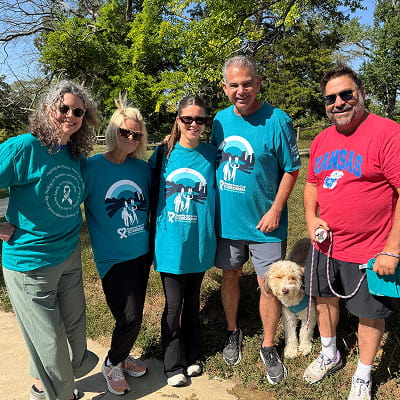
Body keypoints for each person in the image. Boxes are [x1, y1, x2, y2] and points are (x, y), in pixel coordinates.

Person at [303, 63, 400, 400]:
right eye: (331, 98)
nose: (338, 103)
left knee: (370, 314)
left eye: (346, 94)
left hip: (371, 249)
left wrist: (392, 249)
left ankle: (363, 373)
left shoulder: (387, 133)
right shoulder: (321, 140)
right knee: (324, 300)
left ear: (361, 94)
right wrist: (311, 218)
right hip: (325, 246)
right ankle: (330, 352)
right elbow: (312, 184)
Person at [0, 80, 99, 400]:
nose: (70, 115)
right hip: (30, 263)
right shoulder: (23, 148)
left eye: (78, 111)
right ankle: (61, 395)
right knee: (51, 344)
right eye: (63, 108)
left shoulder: (74, 155)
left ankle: (43, 388)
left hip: (68, 255)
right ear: (47, 110)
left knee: (73, 338)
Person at [211, 55, 300, 384]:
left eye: (247, 83)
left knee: (268, 286)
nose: (241, 90)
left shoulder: (278, 120)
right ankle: (233, 331)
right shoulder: (219, 121)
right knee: (231, 275)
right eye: (234, 85)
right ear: (225, 88)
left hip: (267, 225)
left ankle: (267, 345)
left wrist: (276, 208)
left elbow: (292, 168)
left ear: (259, 83)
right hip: (229, 222)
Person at [83, 95, 151, 396]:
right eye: (124, 132)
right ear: (112, 132)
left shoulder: (141, 169)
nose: (130, 138)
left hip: (141, 253)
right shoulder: (92, 167)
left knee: (134, 313)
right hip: (112, 257)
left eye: (136, 134)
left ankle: (123, 356)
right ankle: (112, 363)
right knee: (129, 316)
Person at [149, 95, 217, 387]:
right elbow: (148, 192)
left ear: (205, 123)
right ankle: (172, 363)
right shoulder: (163, 154)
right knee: (173, 306)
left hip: (199, 242)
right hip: (170, 243)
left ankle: (193, 356)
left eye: (199, 119)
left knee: (192, 305)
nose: (193, 124)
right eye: (187, 119)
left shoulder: (213, 154)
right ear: (178, 120)